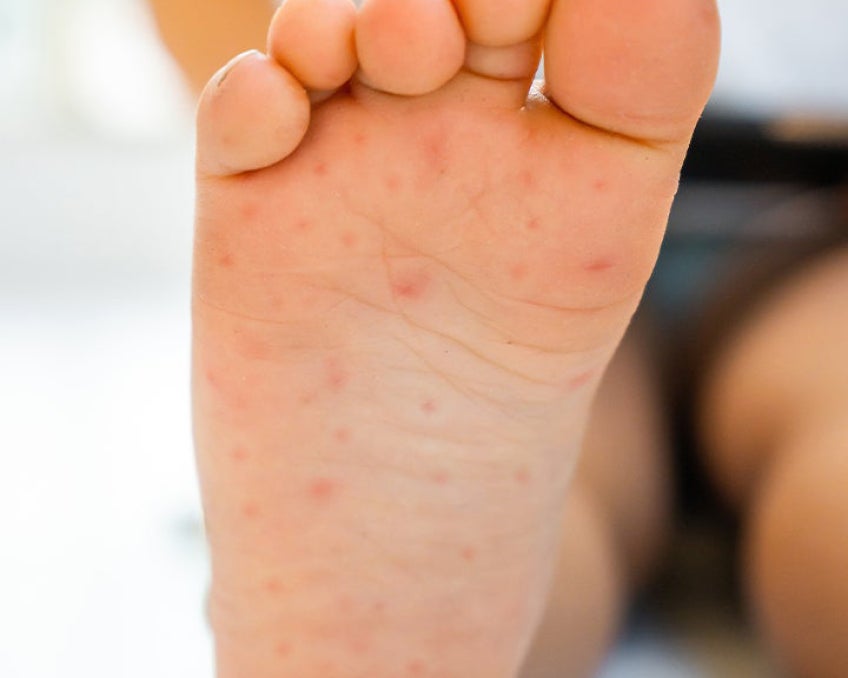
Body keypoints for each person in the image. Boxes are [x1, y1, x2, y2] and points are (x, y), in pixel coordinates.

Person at [149, 0, 848, 676]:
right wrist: (326, 113)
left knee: (552, 501)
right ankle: (403, 602)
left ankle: (404, 576)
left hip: (526, 211)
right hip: (499, 201)